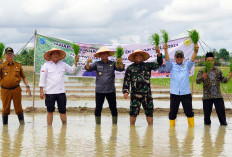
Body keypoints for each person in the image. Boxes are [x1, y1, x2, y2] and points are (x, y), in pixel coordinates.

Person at [123, 48, 163, 125]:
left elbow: (159, 63)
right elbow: (126, 80)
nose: (139, 56)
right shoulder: (130, 68)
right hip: (135, 95)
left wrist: (158, 53)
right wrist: (125, 91)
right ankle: (132, 130)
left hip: (147, 94)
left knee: (149, 112)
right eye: (137, 55)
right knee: (133, 113)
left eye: (140, 55)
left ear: (142, 57)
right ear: (134, 57)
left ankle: (150, 129)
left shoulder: (147, 65)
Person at [85, 46, 124, 124]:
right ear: (99, 56)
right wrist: (88, 62)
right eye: (102, 54)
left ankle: (114, 125)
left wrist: (121, 62)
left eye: (105, 54)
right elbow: (88, 69)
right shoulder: (96, 64)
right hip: (100, 90)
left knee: (113, 108)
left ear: (108, 55)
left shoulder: (113, 63)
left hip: (111, 90)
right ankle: (98, 126)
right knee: (98, 108)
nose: (104, 55)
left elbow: (121, 69)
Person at [39, 48, 79, 125]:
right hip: (50, 92)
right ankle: (49, 129)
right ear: (50, 56)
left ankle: (64, 127)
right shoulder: (46, 65)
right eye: (53, 54)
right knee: (50, 111)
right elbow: (42, 78)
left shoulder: (63, 64)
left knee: (63, 110)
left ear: (59, 55)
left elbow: (72, 71)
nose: (55, 55)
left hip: (61, 92)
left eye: (57, 53)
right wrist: (41, 91)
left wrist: (76, 62)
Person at [164, 43, 199, 127]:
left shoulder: (187, 65)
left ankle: (191, 130)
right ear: (175, 58)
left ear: (183, 58)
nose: (179, 58)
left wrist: (195, 51)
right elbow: (167, 59)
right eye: (177, 57)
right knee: (172, 113)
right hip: (174, 94)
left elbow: (192, 59)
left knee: (189, 112)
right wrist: (165, 50)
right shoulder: (172, 66)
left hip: (186, 93)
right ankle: (172, 133)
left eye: (181, 57)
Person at [196, 52, 232, 125]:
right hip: (207, 97)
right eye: (208, 61)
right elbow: (197, 81)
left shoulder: (218, 70)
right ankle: (206, 135)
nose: (210, 62)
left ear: (214, 61)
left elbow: (223, 80)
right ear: (205, 61)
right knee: (207, 121)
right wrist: (202, 76)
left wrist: (229, 76)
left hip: (218, 96)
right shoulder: (202, 71)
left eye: (211, 60)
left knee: (223, 120)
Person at [0, 47, 31, 125]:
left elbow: (24, 77)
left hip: (16, 90)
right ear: (4, 55)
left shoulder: (18, 65)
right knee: (5, 109)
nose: (9, 55)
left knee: (19, 108)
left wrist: (27, 86)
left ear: (13, 55)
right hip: (5, 90)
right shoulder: (1, 66)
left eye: (11, 53)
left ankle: (22, 125)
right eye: (8, 54)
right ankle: (5, 127)